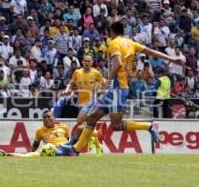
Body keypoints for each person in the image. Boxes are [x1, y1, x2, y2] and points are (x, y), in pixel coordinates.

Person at [60, 21, 185, 155]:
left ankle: (149, 126)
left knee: (116, 125)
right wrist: (172, 59)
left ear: (112, 32)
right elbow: (151, 51)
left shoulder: (113, 43)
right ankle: (75, 149)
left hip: (117, 88)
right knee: (91, 118)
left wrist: (108, 79)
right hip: (117, 89)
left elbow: (118, 64)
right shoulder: (130, 43)